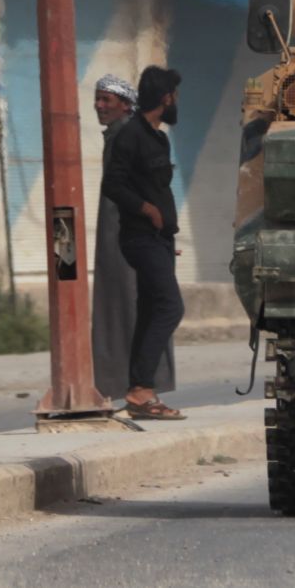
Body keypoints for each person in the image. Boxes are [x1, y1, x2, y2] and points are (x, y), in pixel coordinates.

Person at [103, 66, 186, 421]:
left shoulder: (158, 137)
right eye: (175, 95)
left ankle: (139, 392)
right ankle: (141, 391)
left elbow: (158, 185)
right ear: (166, 97)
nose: (176, 101)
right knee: (170, 307)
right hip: (140, 237)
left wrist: (165, 229)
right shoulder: (130, 135)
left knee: (153, 310)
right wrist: (147, 209)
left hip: (160, 240)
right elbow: (113, 185)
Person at [90, 74, 173, 403]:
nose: (99, 105)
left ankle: (139, 387)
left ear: (125, 105)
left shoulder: (127, 134)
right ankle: (135, 387)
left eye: (106, 99)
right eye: (97, 99)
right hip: (131, 232)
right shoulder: (122, 134)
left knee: (148, 305)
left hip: (127, 232)